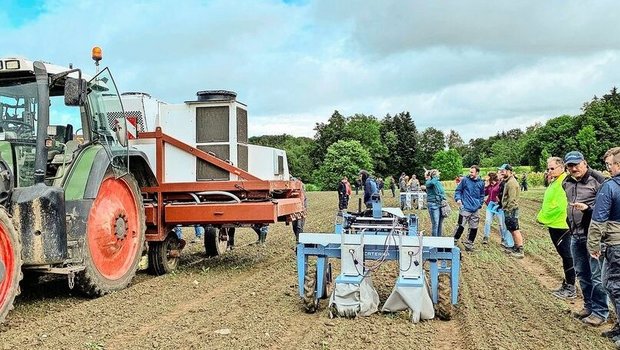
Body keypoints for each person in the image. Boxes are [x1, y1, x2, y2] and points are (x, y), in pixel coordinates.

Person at [562, 150, 608, 326]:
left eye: (577, 164)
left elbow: (606, 204)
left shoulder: (598, 180)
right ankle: (588, 306)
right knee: (582, 273)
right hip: (576, 234)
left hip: (593, 236)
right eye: (570, 166)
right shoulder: (566, 182)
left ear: (585, 162)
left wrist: (588, 208)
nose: (574, 168)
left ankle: (600, 312)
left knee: (597, 276)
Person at [588, 147, 620, 341]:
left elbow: (598, 220)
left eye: (610, 165)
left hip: (616, 244)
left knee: (614, 285)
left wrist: (593, 245)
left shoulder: (609, 187)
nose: (608, 169)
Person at [536, 157, 576, 299]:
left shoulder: (564, 182)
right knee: (564, 256)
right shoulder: (555, 181)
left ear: (562, 168)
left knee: (567, 256)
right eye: (548, 168)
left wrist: (542, 218)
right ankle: (567, 283)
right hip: (554, 224)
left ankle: (571, 288)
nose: (549, 171)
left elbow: (560, 207)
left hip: (562, 225)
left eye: (552, 168)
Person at [453, 165, 485, 251]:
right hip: (465, 208)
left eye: (472, 172)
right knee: (460, 226)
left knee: (474, 227)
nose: (470, 173)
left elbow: (482, 194)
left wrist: (480, 203)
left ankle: (469, 244)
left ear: (477, 173)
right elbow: (458, 191)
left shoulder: (481, 183)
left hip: (475, 209)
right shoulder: (465, 180)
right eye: (470, 172)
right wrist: (458, 199)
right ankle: (453, 242)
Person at [498, 164, 525, 258]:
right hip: (509, 209)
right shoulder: (508, 181)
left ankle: (520, 249)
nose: (501, 172)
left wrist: (508, 210)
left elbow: (512, 199)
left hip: (511, 210)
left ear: (509, 171)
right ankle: (515, 246)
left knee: (515, 229)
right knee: (511, 229)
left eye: (503, 171)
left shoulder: (511, 183)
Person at [482, 172, 512, 246]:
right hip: (490, 205)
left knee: (501, 224)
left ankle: (503, 238)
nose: (486, 178)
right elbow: (484, 193)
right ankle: (486, 237)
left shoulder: (500, 185)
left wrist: (500, 201)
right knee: (487, 221)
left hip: (498, 206)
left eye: (488, 177)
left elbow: (503, 194)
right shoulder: (489, 185)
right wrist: (485, 186)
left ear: (491, 178)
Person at [425, 169, 446, 237]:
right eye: (437, 174)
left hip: (440, 203)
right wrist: (434, 176)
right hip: (433, 204)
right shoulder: (429, 182)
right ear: (433, 175)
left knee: (440, 223)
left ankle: (439, 240)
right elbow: (432, 183)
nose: (438, 176)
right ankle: (434, 241)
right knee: (436, 223)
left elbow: (442, 192)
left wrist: (443, 199)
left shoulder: (438, 182)